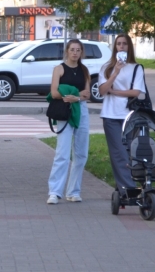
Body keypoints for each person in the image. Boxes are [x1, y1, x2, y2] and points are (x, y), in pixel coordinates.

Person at [98, 34, 144, 195]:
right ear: (115, 47)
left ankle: (124, 186)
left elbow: (136, 92)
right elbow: (102, 91)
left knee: (132, 152)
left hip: (130, 115)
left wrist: (115, 91)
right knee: (119, 153)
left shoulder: (136, 68)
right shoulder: (106, 68)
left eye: (125, 44)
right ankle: (129, 189)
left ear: (129, 47)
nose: (122, 47)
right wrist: (115, 73)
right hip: (111, 116)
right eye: (119, 44)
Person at [46, 39, 91, 204]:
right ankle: (54, 192)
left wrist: (77, 97)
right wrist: (69, 97)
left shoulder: (84, 70)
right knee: (62, 153)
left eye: (78, 50)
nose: (75, 53)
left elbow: (87, 94)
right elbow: (54, 92)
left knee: (81, 153)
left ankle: (73, 191)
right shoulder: (59, 69)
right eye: (72, 49)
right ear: (67, 51)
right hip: (65, 110)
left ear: (81, 52)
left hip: (81, 109)